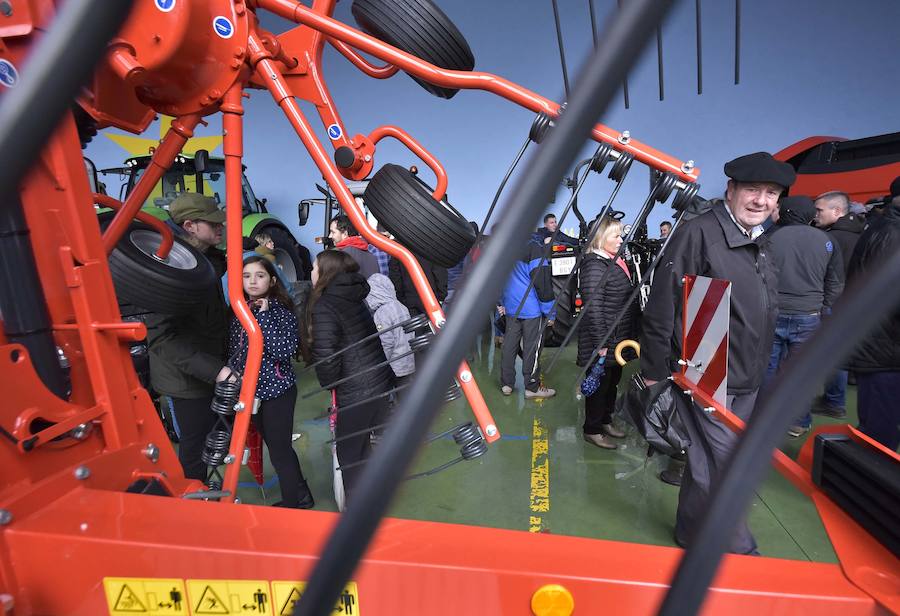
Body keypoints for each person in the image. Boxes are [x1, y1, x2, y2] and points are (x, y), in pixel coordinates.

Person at [641, 151, 795, 555]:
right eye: (752, 190)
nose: (762, 200)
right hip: (706, 374)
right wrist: (656, 373)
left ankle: (690, 533)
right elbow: (662, 303)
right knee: (727, 470)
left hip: (747, 376)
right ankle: (740, 553)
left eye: (771, 193)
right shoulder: (700, 233)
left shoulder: (759, 240)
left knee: (707, 465)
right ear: (730, 191)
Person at [145, 193, 232, 481]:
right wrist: (215, 370)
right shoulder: (171, 269)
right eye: (213, 223)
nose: (220, 227)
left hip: (210, 367)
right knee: (194, 450)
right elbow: (161, 338)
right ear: (190, 225)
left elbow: (212, 315)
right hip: (186, 380)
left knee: (216, 438)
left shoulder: (207, 259)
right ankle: (196, 506)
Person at [227, 256, 313, 508]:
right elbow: (237, 352)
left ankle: (292, 503)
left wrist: (263, 320)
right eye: (246, 276)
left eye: (260, 275)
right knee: (277, 448)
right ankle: (302, 495)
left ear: (272, 280)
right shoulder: (240, 311)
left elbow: (283, 351)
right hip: (252, 395)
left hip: (278, 393)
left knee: (280, 450)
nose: (253, 281)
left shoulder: (280, 313)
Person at [307, 250, 392, 500]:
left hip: (355, 390)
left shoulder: (325, 306)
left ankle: (357, 514)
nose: (311, 272)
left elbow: (326, 355)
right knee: (363, 447)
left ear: (326, 272)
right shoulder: (353, 297)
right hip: (376, 384)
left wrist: (330, 382)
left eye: (314, 267)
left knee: (350, 455)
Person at [762, 196, 844, 437]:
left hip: (773, 313)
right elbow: (835, 283)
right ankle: (797, 421)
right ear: (810, 215)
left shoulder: (769, 238)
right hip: (809, 315)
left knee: (767, 370)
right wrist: (824, 308)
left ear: (785, 212)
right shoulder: (828, 240)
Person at [846, 186, 900, 451]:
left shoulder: (884, 229)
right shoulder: (891, 235)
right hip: (884, 350)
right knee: (880, 435)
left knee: (879, 427)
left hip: (881, 346)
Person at [577, 216, 638, 449]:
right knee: (599, 385)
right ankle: (592, 429)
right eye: (616, 235)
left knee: (612, 382)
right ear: (601, 238)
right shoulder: (594, 264)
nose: (620, 239)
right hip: (604, 337)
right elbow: (593, 307)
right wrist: (601, 342)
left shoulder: (612, 259)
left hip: (618, 335)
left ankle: (605, 420)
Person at [811, 191, 865, 419]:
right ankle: (834, 400)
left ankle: (834, 402)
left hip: (835, 303)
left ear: (837, 211)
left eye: (819, 210)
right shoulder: (861, 233)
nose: (815, 215)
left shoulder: (832, 238)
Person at [500, 232, 557, 399]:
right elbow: (543, 284)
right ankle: (532, 387)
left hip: (511, 308)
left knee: (509, 345)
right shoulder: (533, 248)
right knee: (532, 348)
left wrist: (501, 303)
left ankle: (506, 384)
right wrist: (550, 313)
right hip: (531, 310)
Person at [365, 273, 415, 389]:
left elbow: (386, 341)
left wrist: (381, 364)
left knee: (397, 395)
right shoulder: (401, 306)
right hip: (408, 359)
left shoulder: (381, 313)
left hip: (394, 364)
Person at [329, 214, 379, 279]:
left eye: (333, 232)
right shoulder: (372, 256)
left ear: (345, 234)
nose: (330, 236)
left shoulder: (341, 255)